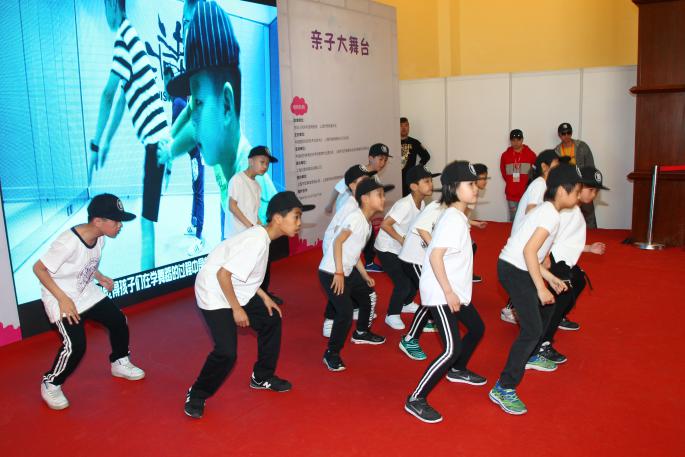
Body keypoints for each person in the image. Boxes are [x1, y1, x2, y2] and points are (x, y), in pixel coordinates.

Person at [184, 191, 314, 419]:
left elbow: (244, 275)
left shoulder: (263, 238)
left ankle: (261, 377)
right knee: (226, 352)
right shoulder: (257, 242)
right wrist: (237, 309)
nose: (299, 223)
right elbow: (223, 275)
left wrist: (264, 297)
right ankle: (196, 394)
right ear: (277, 218)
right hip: (213, 291)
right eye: (296, 216)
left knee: (271, 319)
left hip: (233, 287)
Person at [165, 1, 278, 238]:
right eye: (185, 24)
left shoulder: (249, 174)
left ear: (226, 105)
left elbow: (272, 227)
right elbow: (190, 113)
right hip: (227, 200)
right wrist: (169, 141)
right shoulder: (218, 147)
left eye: (190, 23)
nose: (187, 31)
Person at [34, 194, 145, 410]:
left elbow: (86, 263)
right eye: (116, 221)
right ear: (98, 221)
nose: (120, 226)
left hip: (85, 292)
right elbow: (39, 269)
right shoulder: (68, 242)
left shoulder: (99, 237)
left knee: (118, 320)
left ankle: (119, 361)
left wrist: (100, 277)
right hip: (60, 297)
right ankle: (51, 383)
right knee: (76, 346)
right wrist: (63, 299)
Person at [489, 164, 581, 415]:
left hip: (517, 267)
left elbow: (533, 255)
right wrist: (541, 287)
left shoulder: (548, 211)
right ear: (561, 191)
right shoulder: (550, 215)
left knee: (546, 310)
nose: (578, 197)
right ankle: (504, 387)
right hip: (514, 270)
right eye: (576, 191)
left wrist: (550, 278)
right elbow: (528, 252)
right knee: (532, 330)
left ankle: (530, 355)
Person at [90, 0, 171, 271]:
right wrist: (107, 142)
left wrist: (95, 144)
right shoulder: (131, 37)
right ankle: (150, 276)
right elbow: (121, 103)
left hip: (157, 143)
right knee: (148, 219)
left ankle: (149, 279)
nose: (105, 14)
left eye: (105, 7)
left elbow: (107, 95)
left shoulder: (124, 39)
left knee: (146, 222)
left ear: (113, 5)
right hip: (157, 142)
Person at [404, 161, 486, 424]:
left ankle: (457, 370)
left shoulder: (458, 216)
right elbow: (435, 256)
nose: (476, 188)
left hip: (454, 290)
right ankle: (416, 398)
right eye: (470, 184)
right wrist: (449, 292)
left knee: (477, 328)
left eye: (476, 183)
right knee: (451, 348)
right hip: (440, 292)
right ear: (453, 188)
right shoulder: (452, 218)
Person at [536, 166, 609, 363]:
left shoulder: (574, 209)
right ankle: (542, 343)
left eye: (596, 191)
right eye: (591, 189)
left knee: (579, 281)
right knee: (561, 296)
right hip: (555, 259)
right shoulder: (565, 209)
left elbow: (568, 240)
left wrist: (589, 248)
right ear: (578, 186)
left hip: (564, 258)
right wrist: (545, 256)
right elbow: (546, 233)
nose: (594, 194)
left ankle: (557, 317)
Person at [319, 179, 393, 371]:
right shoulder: (355, 218)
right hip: (331, 272)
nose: (383, 198)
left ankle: (361, 332)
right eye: (379, 195)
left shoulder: (366, 223)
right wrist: (339, 272)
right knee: (344, 313)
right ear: (365, 199)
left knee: (368, 295)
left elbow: (353, 252)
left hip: (347, 270)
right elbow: (338, 242)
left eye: (383, 195)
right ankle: (331, 354)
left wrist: (364, 275)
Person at [376, 165, 438, 330]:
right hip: (387, 248)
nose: (431, 184)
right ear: (414, 186)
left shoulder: (422, 203)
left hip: (402, 249)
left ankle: (406, 303)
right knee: (403, 283)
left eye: (431, 180)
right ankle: (392, 314)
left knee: (414, 279)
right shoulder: (404, 204)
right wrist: (402, 240)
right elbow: (385, 224)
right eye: (426, 181)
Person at [321, 166, 378, 338]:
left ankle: (354, 311)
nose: (367, 183)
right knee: (339, 285)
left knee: (349, 286)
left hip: (345, 253)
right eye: (363, 180)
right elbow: (338, 238)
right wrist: (338, 268)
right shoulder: (349, 207)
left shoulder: (359, 204)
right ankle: (330, 320)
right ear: (352, 186)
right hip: (336, 253)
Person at [324, 143, 392, 273]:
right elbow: (338, 188)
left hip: (359, 210)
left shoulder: (374, 177)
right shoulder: (357, 173)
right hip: (348, 208)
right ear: (370, 158)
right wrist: (329, 204)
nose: (383, 163)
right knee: (344, 236)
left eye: (385, 160)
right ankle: (337, 263)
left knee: (362, 234)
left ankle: (362, 263)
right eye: (380, 159)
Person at [163, 65, 205, 257]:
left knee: (199, 192)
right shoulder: (179, 101)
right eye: (165, 81)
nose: (166, 85)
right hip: (193, 153)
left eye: (168, 81)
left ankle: (199, 237)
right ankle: (194, 223)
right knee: (196, 189)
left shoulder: (178, 103)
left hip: (197, 153)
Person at [554, 123, 597, 228]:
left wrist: (591, 186)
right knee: (569, 217)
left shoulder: (582, 147)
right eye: (563, 134)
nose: (566, 136)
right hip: (568, 189)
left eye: (568, 133)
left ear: (572, 133)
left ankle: (593, 233)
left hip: (584, 186)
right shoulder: (556, 151)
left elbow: (591, 167)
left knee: (588, 214)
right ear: (559, 135)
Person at [500, 129, 537, 222]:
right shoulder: (505, 156)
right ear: (510, 141)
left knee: (526, 219)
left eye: (518, 139)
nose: (516, 142)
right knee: (513, 219)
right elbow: (504, 173)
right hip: (511, 194)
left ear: (522, 139)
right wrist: (511, 183)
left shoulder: (531, 154)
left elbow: (536, 172)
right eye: (513, 140)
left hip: (526, 194)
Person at [468, 163, 490, 282]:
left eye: (486, 178)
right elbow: (458, 215)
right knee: (470, 248)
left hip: (459, 225)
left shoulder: (472, 191)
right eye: (483, 178)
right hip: (455, 228)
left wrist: (476, 223)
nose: (485, 181)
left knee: (472, 247)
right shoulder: (470, 193)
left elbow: (462, 216)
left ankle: (467, 275)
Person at [400, 117, 431, 196]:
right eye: (401, 126)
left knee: (409, 200)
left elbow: (426, 156)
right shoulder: (392, 142)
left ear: (409, 127)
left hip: (409, 179)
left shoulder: (414, 142)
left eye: (406, 125)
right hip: (396, 177)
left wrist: (417, 169)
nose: (404, 128)